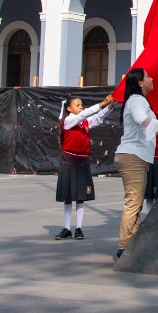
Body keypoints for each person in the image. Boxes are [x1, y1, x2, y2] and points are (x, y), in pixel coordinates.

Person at [113, 68, 158, 260]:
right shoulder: (137, 100)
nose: (151, 79)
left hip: (136, 157)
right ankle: (125, 246)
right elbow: (142, 120)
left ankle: (131, 241)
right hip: (132, 156)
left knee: (136, 202)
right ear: (140, 83)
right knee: (133, 202)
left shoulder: (137, 100)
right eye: (148, 77)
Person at [57, 96, 114, 239]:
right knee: (68, 196)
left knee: (81, 196)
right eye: (77, 105)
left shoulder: (84, 123)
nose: (81, 107)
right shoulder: (68, 121)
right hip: (69, 161)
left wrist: (110, 106)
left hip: (82, 161)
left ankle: (79, 228)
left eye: (81, 104)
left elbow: (98, 117)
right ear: (69, 108)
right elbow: (85, 114)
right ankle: (66, 228)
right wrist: (102, 102)